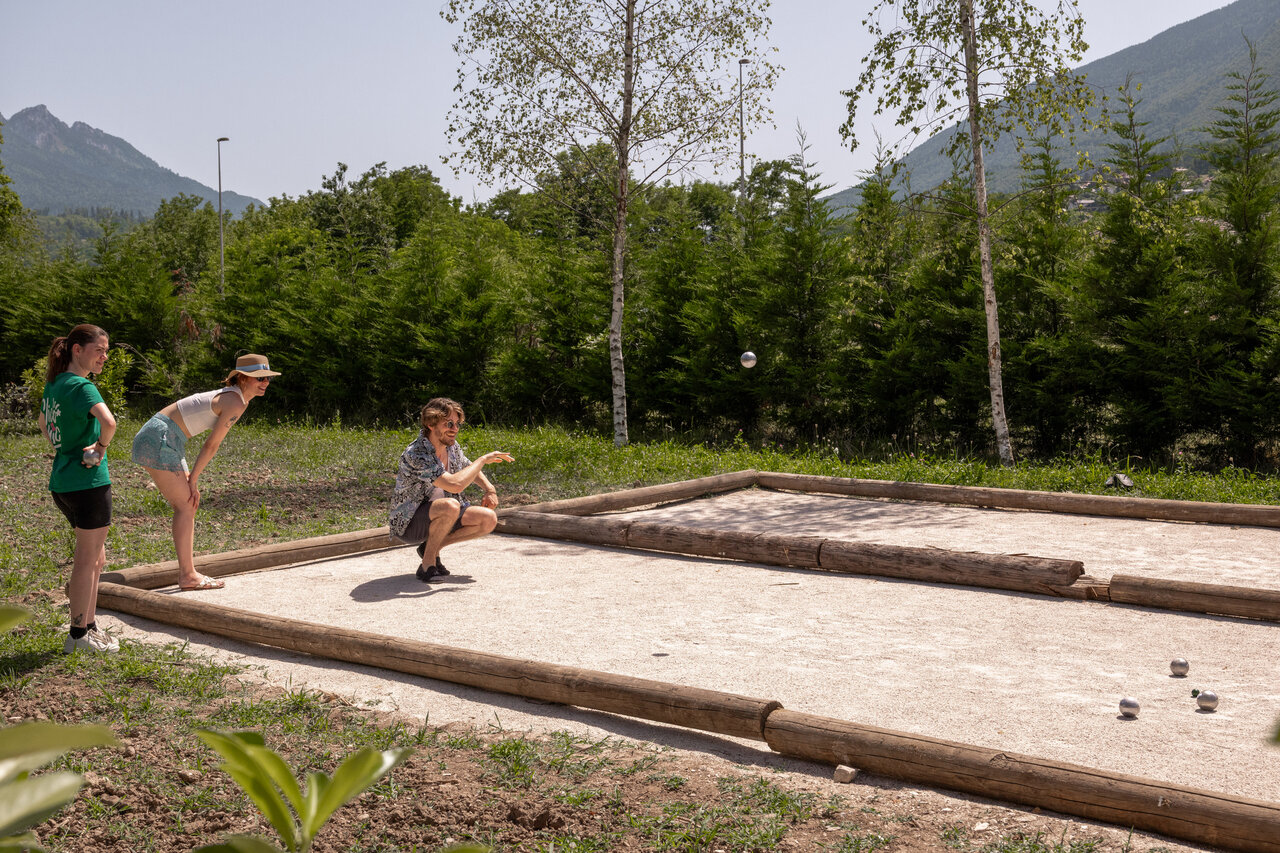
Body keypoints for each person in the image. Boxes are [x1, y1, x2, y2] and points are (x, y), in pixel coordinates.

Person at [131, 353, 280, 591]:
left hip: (165, 436)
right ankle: (188, 576)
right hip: (161, 437)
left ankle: (188, 573)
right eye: (259, 378)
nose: (265, 383)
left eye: (267, 378)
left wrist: (193, 480)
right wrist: (194, 479)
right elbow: (212, 444)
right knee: (186, 504)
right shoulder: (236, 401)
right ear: (241, 378)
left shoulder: (235, 397)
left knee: (188, 504)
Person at [38, 324, 119, 654]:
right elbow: (111, 423)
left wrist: (65, 449)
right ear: (77, 350)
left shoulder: (54, 384)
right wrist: (100, 447)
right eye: (99, 349)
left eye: (106, 351)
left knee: (97, 560)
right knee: (87, 561)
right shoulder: (83, 387)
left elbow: (44, 424)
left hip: (63, 483)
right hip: (88, 485)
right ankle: (77, 636)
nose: (103, 356)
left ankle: (90, 625)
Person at [389, 397, 513, 582]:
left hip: (446, 511)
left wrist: (490, 489)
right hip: (411, 523)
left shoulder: (452, 447)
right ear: (431, 424)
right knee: (451, 506)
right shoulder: (416, 453)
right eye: (448, 423)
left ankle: (430, 548)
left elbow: (467, 467)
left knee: (488, 519)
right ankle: (427, 565)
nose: (454, 429)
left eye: (456, 424)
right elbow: (456, 484)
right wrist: (482, 460)